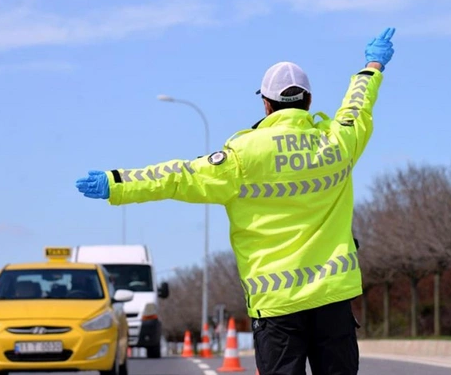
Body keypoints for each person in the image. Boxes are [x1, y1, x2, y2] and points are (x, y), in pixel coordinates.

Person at [75, 27, 396, 375]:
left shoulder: (242, 156)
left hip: (277, 307)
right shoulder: (337, 145)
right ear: (309, 101)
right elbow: (356, 107)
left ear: (266, 104)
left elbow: (177, 177)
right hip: (333, 300)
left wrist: (117, 182)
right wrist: (372, 64)